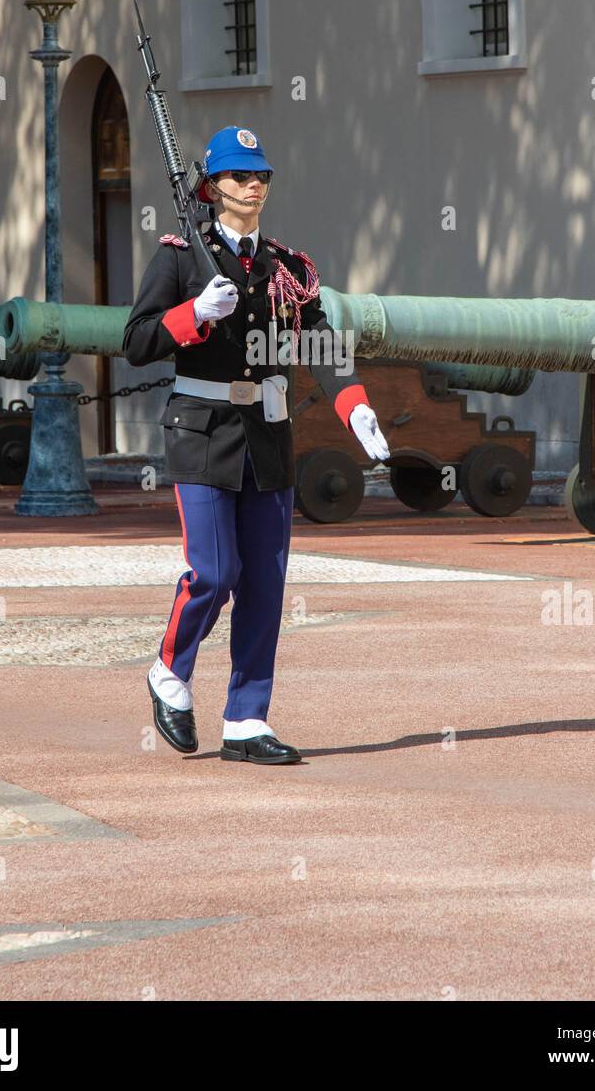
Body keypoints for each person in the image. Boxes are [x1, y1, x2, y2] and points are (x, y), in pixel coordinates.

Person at [122, 125, 390, 764]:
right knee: (214, 573)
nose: (255, 186)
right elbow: (133, 342)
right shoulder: (181, 257)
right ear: (213, 187)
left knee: (265, 585)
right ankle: (168, 673)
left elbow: (320, 344)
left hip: (266, 437)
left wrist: (356, 410)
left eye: (262, 176)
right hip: (202, 436)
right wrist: (192, 316)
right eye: (242, 176)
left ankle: (246, 718)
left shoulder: (286, 269)